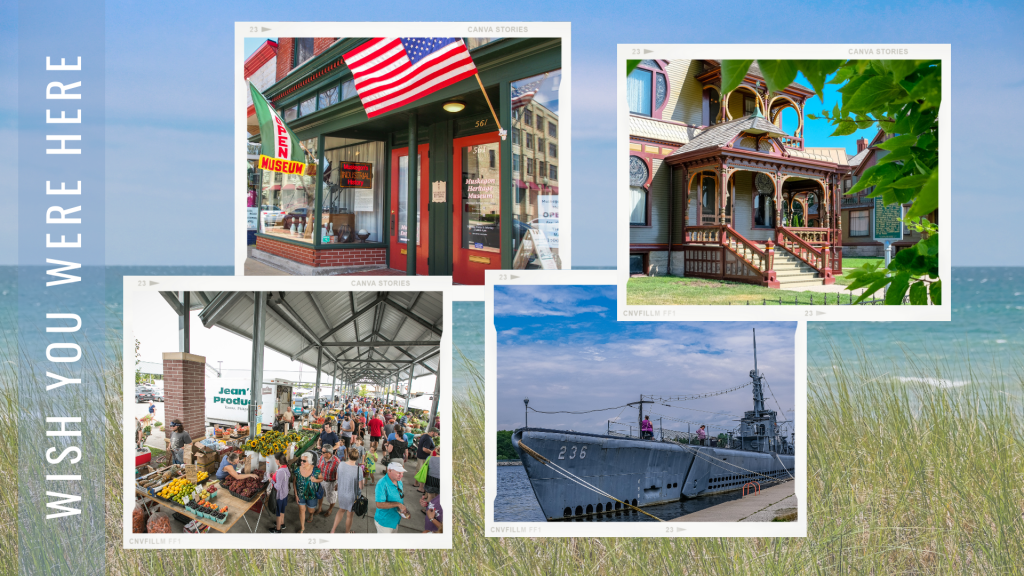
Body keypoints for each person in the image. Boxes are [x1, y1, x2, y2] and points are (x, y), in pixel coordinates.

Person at [329, 447, 365, 534]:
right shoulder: (358, 469)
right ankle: (347, 532)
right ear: (357, 457)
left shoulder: (341, 464)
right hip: (352, 496)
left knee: (341, 510)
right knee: (349, 515)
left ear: (348, 455)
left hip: (341, 493)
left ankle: (333, 530)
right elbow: (361, 487)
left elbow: (337, 477)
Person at [291, 451, 324, 534]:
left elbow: (321, 478)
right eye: (301, 460)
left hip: (312, 495)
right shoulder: (297, 470)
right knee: (301, 510)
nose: (301, 462)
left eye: (304, 461)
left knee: (310, 510)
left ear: (309, 461)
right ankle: (302, 527)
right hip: (300, 494)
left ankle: (311, 514)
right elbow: (294, 482)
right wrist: (296, 494)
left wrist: (315, 480)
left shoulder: (316, 470)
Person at [374, 462, 409, 533]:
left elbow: (400, 497)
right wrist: (398, 504)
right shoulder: (382, 484)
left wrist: (403, 510)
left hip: (395, 520)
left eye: (402, 473)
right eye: (399, 473)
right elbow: (379, 504)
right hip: (385, 522)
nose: (401, 475)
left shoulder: (399, 482)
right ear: (389, 470)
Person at [314, 444, 341, 519]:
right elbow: (318, 466)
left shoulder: (337, 462)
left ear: (329, 453)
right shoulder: (322, 457)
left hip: (331, 482)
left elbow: (340, 474)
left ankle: (330, 509)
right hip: (321, 480)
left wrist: (338, 483)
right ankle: (319, 508)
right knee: (320, 495)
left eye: (323, 452)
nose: (321, 453)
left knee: (332, 497)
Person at [268, 452, 290, 533]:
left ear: (277, 461)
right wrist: (274, 475)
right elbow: (281, 479)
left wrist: (271, 480)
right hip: (285, 493)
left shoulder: (281, 471)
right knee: (282, 510)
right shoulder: (285, 467)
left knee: (278, 512)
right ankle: (282, 523)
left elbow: (278, 487)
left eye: (275, 459)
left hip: (280, 495)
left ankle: (277, 529)